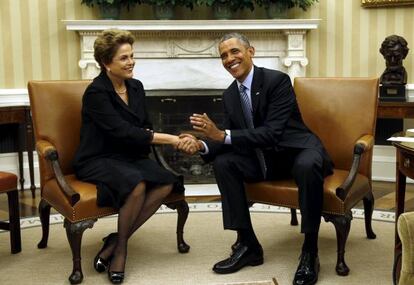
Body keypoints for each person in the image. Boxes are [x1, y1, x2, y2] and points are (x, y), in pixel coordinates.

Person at [179, 32, 333, 285]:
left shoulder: (277, 81)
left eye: (234, 52)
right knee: (224, 162)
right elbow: (227, 136)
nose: (229, 59)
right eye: (223, 56)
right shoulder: (230, 95)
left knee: (306, 165)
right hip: (267, 159)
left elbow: (272, 133)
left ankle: (309, 251)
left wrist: (220, 134)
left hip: (297, 150)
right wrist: (202, 145)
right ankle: (248, 244)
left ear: (251, 52)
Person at [72, 29, 197, 284]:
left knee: (166, 182)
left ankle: (117, 238)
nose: (131, 62)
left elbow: (143, 126)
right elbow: (123, 132)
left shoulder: (136, 87)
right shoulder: (96, 93)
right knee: (136, 184)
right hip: (99, 158)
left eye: (132, 55)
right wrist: (173, 139)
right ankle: (121, 251)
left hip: (130, 156)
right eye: (124, 58)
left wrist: (159, 136)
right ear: (106, 63)